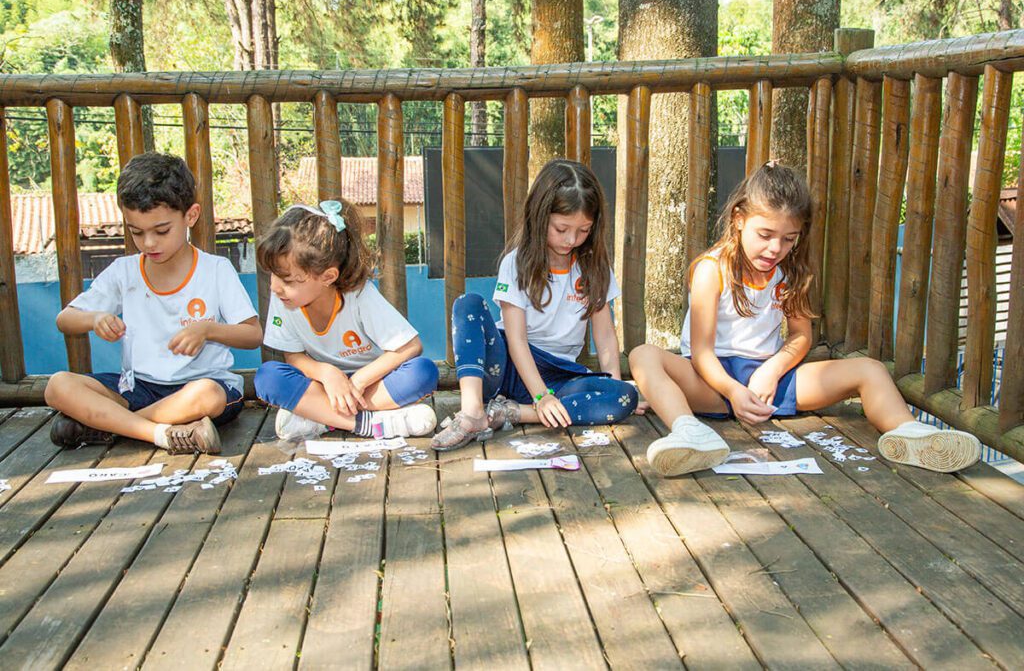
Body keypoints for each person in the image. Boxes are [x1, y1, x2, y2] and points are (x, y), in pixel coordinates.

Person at [631, 161, 981, 476]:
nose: (775, 249)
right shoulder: (712, 269)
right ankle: (689, 432)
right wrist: (733, 390)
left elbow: (801, 336)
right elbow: (702, 353)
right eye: (765, 235)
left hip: (769, 382)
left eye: (788, 239)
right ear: (739, 219)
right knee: (642, 355)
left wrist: (772, 371)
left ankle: (908, 434)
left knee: (870, 369)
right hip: (712, 383)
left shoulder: (789, 272)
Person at [44, 152, 263, 454]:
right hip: (136, 389)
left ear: (191, 216)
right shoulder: (124, 271)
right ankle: (159, 433)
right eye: (136, 232)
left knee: (208, 395)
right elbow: (65, 320)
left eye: (161, 231)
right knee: (58, 385)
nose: (148, 243)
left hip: (199, 387)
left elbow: (253, 335)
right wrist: (95, 319)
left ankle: (111, 425)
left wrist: (207, 330)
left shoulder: (215, 269)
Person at [432, 158, 639, 451]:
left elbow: (605, 337)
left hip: (559, 375)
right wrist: (541, 396)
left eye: (583, 230)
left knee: (624, 396)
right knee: (468, 304)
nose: (571, 239)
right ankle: (473, 412)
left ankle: (511, 413)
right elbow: (516, 340)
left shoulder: (596, 267)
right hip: (506, 365)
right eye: (561, 228)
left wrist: (614, 384)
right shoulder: (515, 263)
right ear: (540, 216)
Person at [253, 199, 438, 440]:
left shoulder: (359, 296)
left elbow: (410, 346)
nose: (275, 287)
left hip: (371, 383)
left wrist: (359, 380)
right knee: (268, 377)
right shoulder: (284, 298)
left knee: (422, 372)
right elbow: (293, 357)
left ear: (328, 276)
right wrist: (327, 373)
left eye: (287, 280)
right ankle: (367, 423)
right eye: (273, 275)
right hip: (324, 385)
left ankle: (320, 417)